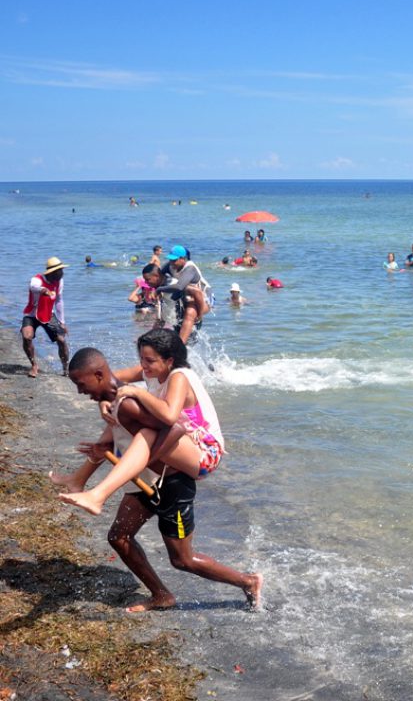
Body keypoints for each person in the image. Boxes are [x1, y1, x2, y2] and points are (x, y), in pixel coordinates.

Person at [54, 345, 262, 612]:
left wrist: (144, 459)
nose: (80, 392)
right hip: (146, 482)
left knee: (183, 560)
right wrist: (106, 448)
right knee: (119, 537)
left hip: (171, 486)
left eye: (82, 385)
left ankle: (248, 581)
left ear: (98, 375)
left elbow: (174, 428)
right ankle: (162, 595)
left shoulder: (130, 403)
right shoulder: (119, 400)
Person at [59, 329, 224, 515]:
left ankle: (98, 495)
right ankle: (79, 479)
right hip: (179, 438)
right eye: (142, 359)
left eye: (150, 360)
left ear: (169, 361)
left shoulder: (179, 376)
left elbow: (170, 416)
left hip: (205, 452)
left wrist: (138, 392)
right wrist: (104, 401)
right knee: (117, 411)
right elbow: (107, 379)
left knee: (138, 422)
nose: (144, 365)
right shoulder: (151, 371)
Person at [21, 256, 70, 378]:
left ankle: (66, 369)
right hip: (31, 314)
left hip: (48, 314)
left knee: (61, 340)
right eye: (60, 271)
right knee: (27, 336)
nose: (62, 273)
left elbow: (59, 301)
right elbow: (33, 287)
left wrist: (62, 321)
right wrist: (44, 290)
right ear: (52, 273)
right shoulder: (37, 279)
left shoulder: (59, 282)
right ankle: (34, 365)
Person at [158, 246, 213, 342]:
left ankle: (181, 347)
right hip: (186, 297)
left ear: (182, 259)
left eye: (174, 260)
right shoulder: (171, 265)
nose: (171, 263)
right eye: (170, 259)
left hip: (204, 298)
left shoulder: (190, 269)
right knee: (178, 323)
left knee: (190, 312)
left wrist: (159, 289)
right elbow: (157, 274)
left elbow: (179, 286)